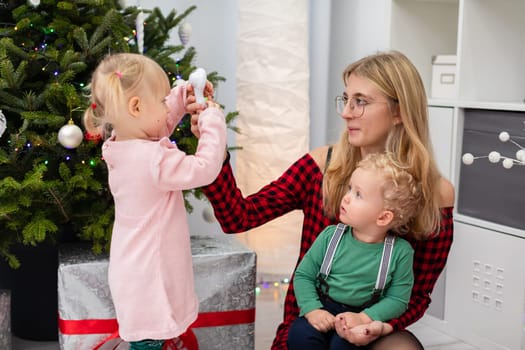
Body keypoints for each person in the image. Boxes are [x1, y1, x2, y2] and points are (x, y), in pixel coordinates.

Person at [195, 50, 454, 349]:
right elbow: (238, 217)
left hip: (373, 329)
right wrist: (212, 147)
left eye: (361, 102)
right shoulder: (323, 166)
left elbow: (416, 295)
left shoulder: (436, 193)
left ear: (399, 112)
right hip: (311, 323)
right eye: (346, 99)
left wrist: (370, 324)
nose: (346, 112)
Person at [83, 53, 226, 350]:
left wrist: (178, 99)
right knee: (149, 344)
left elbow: (152, 126)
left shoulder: (117, 146)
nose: (166, 107)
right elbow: (205, 168)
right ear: (136, 107)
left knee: (147, 341)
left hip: (134, 274)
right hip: (153, 280)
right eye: (162, 101)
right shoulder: (154, 159)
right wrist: (212, 119)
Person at [287, 152, 421, 349]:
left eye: (358, 194)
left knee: (344, 346)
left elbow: (397, 300)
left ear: (383, 218)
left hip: (361, 315)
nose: (346, 198)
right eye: (350, 189)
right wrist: (312, 309)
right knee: (300, 336)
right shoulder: (331, 236)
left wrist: (364, 318)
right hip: (323, 305)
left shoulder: (399, 252)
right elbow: (303, 275)